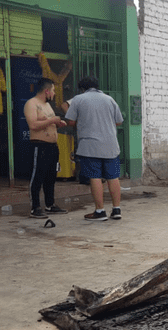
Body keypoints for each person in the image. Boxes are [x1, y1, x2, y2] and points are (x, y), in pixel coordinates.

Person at [65, 76, 124, 221]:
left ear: (83, 88)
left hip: (90, 146)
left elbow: (71, 121)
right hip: (110, 145)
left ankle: (100, 211)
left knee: (95, 177)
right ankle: (116, 210)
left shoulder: (78, 99)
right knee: (113, 177)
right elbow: (119, 121)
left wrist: (85, 122)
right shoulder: (109, 99)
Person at [24, 78, 68, 218]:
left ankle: (50, 204)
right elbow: (33, 125)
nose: (54, 94)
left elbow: (47, 122)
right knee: (37, 176)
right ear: (47, 91)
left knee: (51, 176)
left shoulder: (47, 105)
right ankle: (35, 207)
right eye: (53, 91)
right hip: (40, 145)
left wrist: (57, 123)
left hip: (52, 146)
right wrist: (52, 120)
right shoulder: (32, 104)